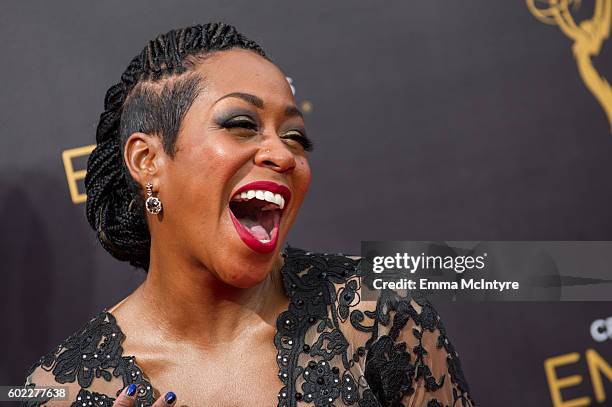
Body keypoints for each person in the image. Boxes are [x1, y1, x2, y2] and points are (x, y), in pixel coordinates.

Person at [21, 22, 475, 407]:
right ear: (147, 161)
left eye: (296, 136)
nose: (282, 153)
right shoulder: (62, 390)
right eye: (241, 125)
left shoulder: (376, 315)